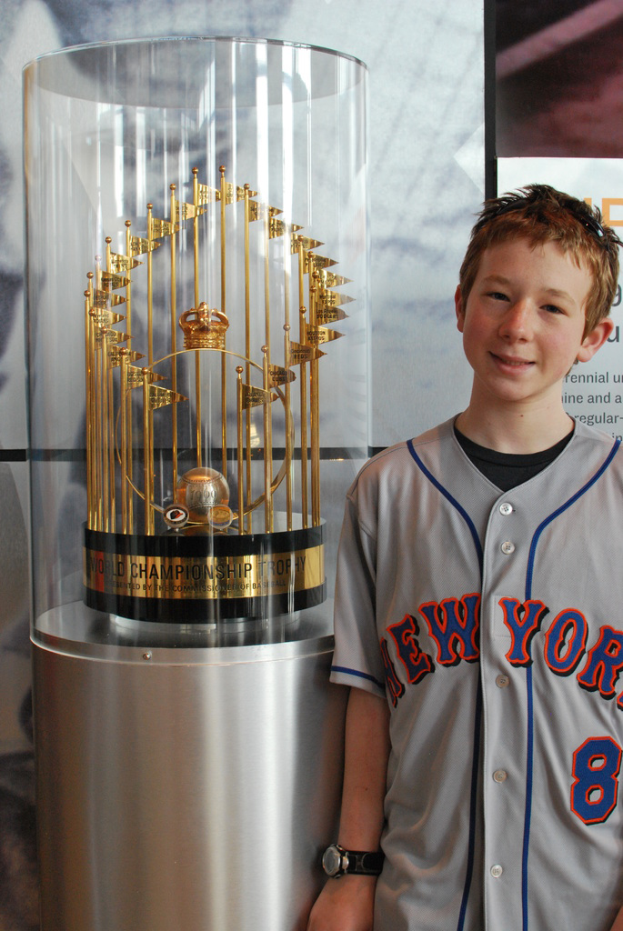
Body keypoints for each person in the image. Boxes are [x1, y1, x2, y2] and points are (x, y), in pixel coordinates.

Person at [307, 184, 623, 931]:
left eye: (551, 307)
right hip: (423, 895)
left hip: (581, 899)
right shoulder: (386, 489)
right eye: (498, 295)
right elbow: (367, 696)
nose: (517, 326)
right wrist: (353, 871)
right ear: (459, 306)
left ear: (591, 337)